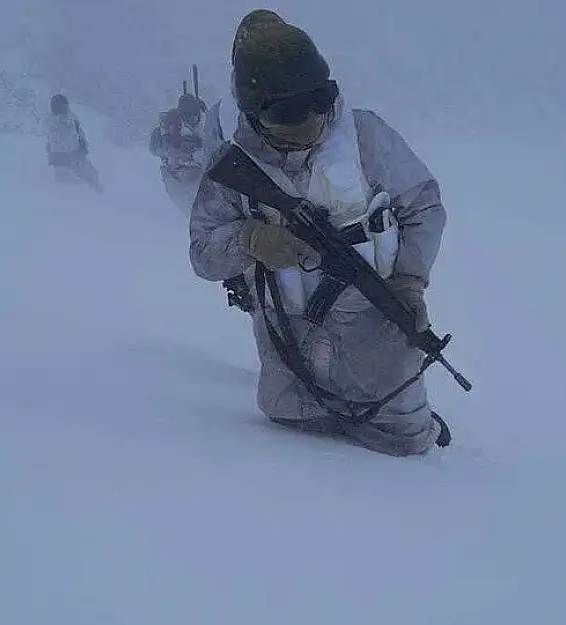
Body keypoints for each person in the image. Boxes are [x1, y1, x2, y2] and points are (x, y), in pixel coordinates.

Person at [188, 10, 449, 456]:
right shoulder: (233, 170)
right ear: (254, 112)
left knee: (406, 456)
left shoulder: (366, 137)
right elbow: (202, 252)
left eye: (317, 106)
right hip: (289, 361)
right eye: (286, 120)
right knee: (295, 448)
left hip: (379, 348)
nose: (308, 125)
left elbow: (423, 206)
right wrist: (251, 241)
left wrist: (409, 281)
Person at [149, 91, 210, 213]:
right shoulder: (171, 126)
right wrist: (182, 150)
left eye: (195, 116)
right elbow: (158, 150)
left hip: (202, 170)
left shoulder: (206, 121)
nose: (193, 120)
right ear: (182, 115)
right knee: (186, 208)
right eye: (188, 117)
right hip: (175, 173)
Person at [44, 94, 102, 191]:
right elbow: (54, 142)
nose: (66, 108)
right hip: (62, 158)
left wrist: (83, 147)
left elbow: (80, 134)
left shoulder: (72, 118)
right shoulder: (52, 122)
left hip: (76, 155)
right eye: (63, 106)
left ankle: (98, 194)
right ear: (56, 107)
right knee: (68, 183)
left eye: (66, 106)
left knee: (92, 175)